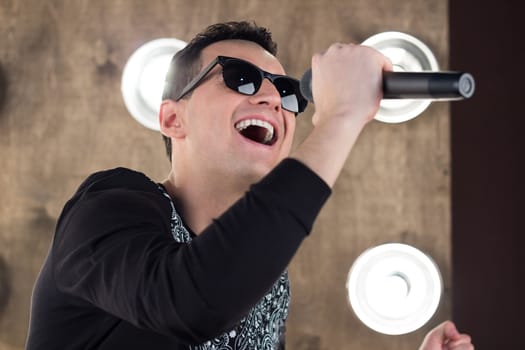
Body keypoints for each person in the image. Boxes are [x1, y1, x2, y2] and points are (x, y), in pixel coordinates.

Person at [26, 21, 474, 350]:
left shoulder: (268, 285)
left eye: (287, 93)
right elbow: (188, 301)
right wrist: (339, 119)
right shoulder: (107, 209)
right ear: (171, 118)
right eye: (240, 78)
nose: (271, 99)